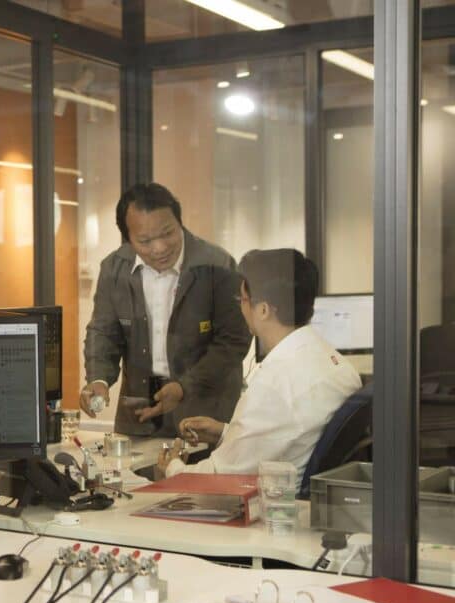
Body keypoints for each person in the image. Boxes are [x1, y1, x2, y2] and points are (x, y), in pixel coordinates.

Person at [157, 249, 362, 483]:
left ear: (263, 310)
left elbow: (219, 480)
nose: (241, 308)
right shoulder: (335, 363)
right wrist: (226, 432)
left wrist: (172, 467)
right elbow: (289, 434)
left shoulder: (274, 383)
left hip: (267, 505)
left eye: (242, 300)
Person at [80, 183, 251, 437]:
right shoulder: (114, 269)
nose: (159, 247)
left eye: (168, 233)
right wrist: (98, 379)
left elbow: (234, 340)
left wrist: (184, 387)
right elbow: (103, 332)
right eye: (145, 241)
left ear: (180, 222)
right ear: (128, 238)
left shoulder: (217, 265)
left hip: (205, 415)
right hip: (139, 415)